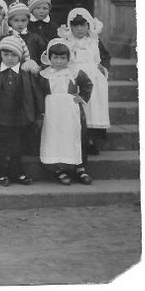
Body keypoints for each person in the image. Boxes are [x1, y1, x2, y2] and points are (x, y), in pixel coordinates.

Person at [0, 35, 45, 186]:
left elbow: (35, 93)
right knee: (1, 146)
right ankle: (0, 174)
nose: (10, 58)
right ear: (0, 55)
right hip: (0, 117)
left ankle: (17, 173)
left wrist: (38, 112)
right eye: (6, 54)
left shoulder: (25, 74)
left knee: (17, 146)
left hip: (19, 116)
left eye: (13, 55)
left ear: (19, 56)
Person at [37, 39, 94, 185]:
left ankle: (80, 168)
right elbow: (38, 93)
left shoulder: (75, 72)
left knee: (74, 137)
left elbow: (87, 84)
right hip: (52, 111)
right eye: (55, 57)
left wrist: (82, 97)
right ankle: (58, 169)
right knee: (55, 138)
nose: (59, 61)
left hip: (71, 110)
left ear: (69, 58)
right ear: (49, 58)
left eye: (63, 58)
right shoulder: (43, 74)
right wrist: (41, 111)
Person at [58, 8, 111, 153]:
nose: (79, 29)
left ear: (89, 26)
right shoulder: (67, 42)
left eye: (83, 25)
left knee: (93, 109)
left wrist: (101, 69)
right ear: (70, 26)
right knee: (79, 110)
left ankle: (91, 140)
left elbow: (98, 60)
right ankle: (78, 141)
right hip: (76, 78)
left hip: (93, 80)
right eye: (75, 25)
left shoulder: (93, 42)